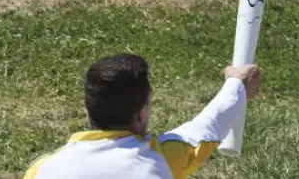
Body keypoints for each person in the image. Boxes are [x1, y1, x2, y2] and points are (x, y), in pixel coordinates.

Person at [23, 53, 262, 178]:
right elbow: (210, 123)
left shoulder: (42, 169)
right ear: (141, 113)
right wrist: (237, 84)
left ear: (89, 107)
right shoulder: (162, 158)